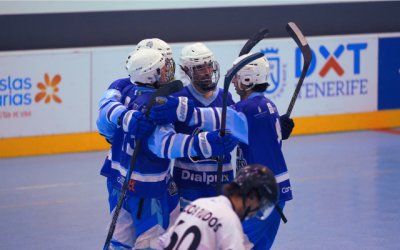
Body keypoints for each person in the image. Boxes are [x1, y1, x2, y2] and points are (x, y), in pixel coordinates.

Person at [150, 53, 294, 249]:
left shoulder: (249, 109)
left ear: (248, 79)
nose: (233, 82)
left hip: (263, 195)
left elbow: (214, 117)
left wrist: (179, 109)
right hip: (267, 190)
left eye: (236, 77)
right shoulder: (264, 105)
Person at [103, 48, 239, 250]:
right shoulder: (160, 102)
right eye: (163, 67)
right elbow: (165, 144)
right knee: (153, 240)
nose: (168, 71)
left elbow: (104, 124)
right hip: (147, 187)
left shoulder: (124, 90)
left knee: (119, 241)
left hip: (119, 180)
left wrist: (124, 117)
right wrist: (206, 143)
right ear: (150, 73)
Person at [150, 42, 237, 209]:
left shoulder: (226, 97)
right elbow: (167, 141)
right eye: (199, 68)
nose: (206, 72)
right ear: (186, 70)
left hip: (223, 182)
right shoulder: (178, 100)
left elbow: (238, 133)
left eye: (209, 66)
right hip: (188, 185)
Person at [158, 164, 279, 250]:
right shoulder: (229, 220)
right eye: (261, 204)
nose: (256, 211)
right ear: (251, 197)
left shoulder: (198, 204)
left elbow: (163, 242)